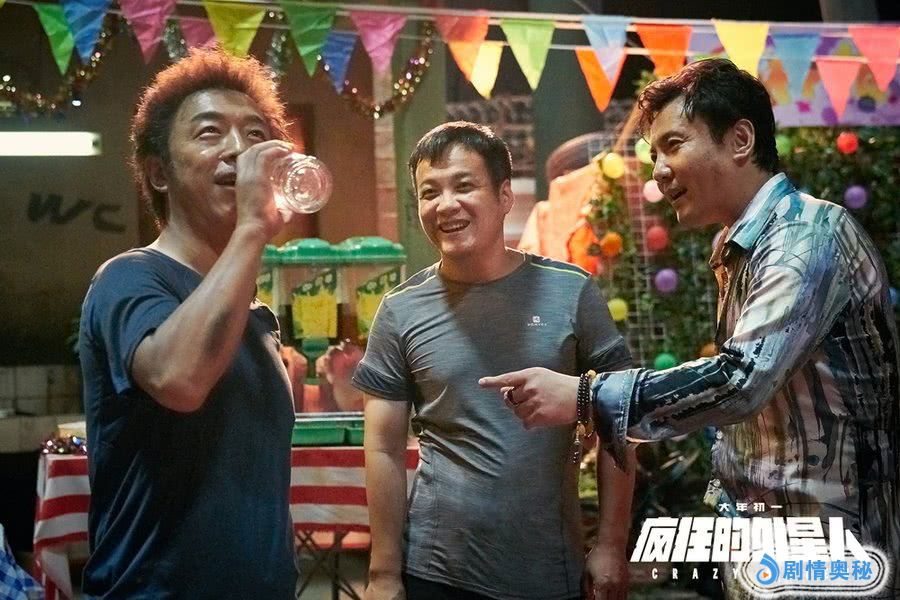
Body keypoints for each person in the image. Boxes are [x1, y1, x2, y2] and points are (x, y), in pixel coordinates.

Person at [480, 58, 900, 598]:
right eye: (654, 153)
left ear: (740, 140)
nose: (658, 170)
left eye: (674, 145)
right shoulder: (744, 243)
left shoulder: (804, 237)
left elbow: (740, 380)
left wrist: (585, 397)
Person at [353, 121, 636, 600]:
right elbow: (382, 447)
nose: (446, 205)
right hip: (437, 571)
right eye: (429, 192)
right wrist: (383, 573)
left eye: (464, 186)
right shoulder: (400, 310)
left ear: (505, 196)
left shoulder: (570, 291)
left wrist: (611, 543)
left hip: (549, 568)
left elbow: (622, 414)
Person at [77, 49, 298, 598]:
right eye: (209, 132)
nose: (239, 150)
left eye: (254, 134)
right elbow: (179, 380)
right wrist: (253, 228)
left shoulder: (254, 311)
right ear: (159, 172)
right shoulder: (129, 278)